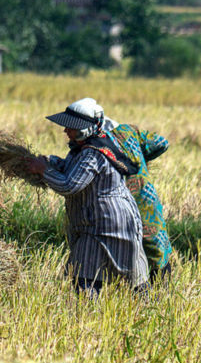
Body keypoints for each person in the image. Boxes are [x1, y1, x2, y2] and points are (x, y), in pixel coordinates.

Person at [26, 98, 148, 297]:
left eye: (71, 127)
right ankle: (87, 318)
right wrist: (49, 162)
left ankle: (148, 310)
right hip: (92, 225)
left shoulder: (94, 153)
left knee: (133, 279)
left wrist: (44, 170)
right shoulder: (82, 149)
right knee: (83, 277)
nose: (66, 130)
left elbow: (69, 185)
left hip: (114, 224)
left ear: (85, 130)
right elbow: (70, 168)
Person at [104, 118, 174, 284]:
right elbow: (161, 143)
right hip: (146, 198)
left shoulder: (99, 142)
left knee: (128, 249)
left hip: (120, 203)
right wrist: (141, 158)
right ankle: (160, 293)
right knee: (156, 246)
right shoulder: (129, 133)